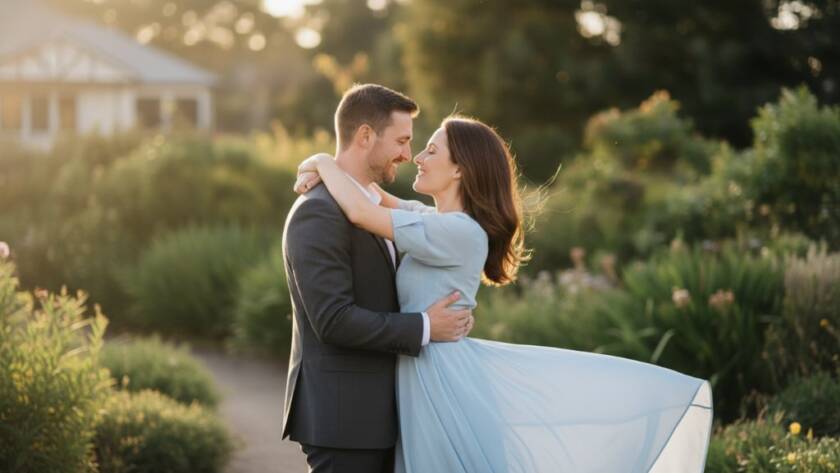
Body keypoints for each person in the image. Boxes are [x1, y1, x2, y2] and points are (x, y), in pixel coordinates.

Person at [295, 107, 714, 472]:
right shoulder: (432, 219)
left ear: (460, 169)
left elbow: (361, 211)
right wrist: (335, 169)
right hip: (420, 368)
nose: (418, 157)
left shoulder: (458, 232)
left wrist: (319, 161)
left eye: (431, 151)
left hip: (440, 375)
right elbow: (377, 197)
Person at [281, 83, 476, 473]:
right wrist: (425, 326)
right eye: (402, 141)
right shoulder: (318, 212)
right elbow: (333, 320)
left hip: (382, 416)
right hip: (345, 419)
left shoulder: (373, 206)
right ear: (366, 136)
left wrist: (321, 161)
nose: (409, 154)